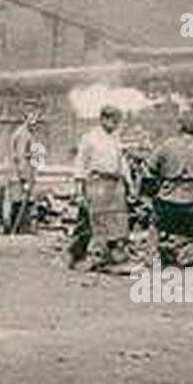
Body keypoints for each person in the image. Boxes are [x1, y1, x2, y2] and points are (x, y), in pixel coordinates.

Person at [143, 112, 193, 264]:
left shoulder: (167, 145)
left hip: (167, 199)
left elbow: (150, 168)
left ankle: (150, 259)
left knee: (155, 226)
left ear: (180, 127)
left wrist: (160, 183)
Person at [70, 104, 135, 269]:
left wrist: (130, 184)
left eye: (117, 122)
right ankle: (85, 254)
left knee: (117, 219)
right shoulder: (89, 138)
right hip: (96, 182)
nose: (115, 125)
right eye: (112, 121)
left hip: (115, 183)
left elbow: (123, 163)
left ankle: (113, 252)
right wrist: (78, 188)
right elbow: (80, 163)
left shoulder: (115, 138)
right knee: (96, 219)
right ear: (103, 119)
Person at [4, 107, 41, 234]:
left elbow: (34, 155)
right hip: (19, 177)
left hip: (25, 175)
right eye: (31, 117)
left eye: (36, 117)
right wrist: (24, 180)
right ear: (25, 118)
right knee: (19, 205)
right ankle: (17, 232)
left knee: (24, 205)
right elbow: (20, 158)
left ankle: (21, 230)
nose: (35, 120)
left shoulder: (30, 134)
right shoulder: (22, 134)